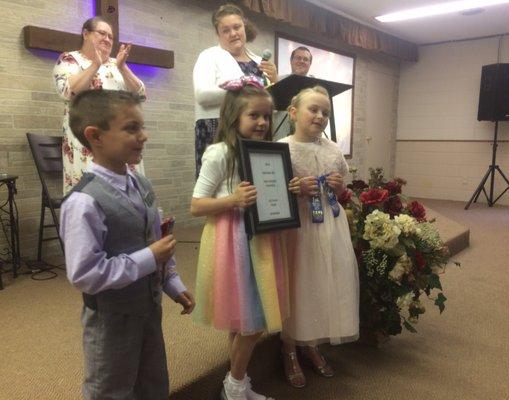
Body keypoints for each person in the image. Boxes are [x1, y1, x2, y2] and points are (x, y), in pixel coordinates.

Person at [60, 89, 195, 400]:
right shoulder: (83, 202)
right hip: (111, 321)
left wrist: (171, 282)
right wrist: (148, 258)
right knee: (112, 388)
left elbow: (155, 237)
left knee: (152, 382)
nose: (143, 136)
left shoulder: (141, 183)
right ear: (95, 136)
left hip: (148, 310)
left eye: (142, 127)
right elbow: (85, 275)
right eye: (131, 128)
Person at [191, 76, 297, 400]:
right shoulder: (219, 153)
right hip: (232, 241)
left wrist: (286, 191)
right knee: (252, 322)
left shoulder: (267, 152)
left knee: (247, 317)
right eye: (255, 115)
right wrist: (232, 200)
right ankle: (233, 388)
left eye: (267, 116)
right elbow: (196, 205)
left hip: (261, 241)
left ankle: (239, 382)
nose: (263, 122)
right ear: (234, 116)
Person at [278, 86, 359, 388]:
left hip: (329, 227)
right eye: (314, 109)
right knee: (297, 283)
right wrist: (293, 188)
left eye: (325, 112)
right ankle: (289, 348)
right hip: (298, 228)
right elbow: (272, 189)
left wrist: (337, 188)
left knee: (322, 282)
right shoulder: (282, 148)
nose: (320, 116)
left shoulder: (333, 149)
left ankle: (310, 343)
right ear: (294, 112)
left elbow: (341, 187)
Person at [53, 16, 146, 194]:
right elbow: (68, 92)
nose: (107, 39)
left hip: (121, 138)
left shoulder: (115, 64)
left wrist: (122, 67)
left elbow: (140, 95)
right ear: (86, 34)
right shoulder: (70, 59)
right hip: (87, 139)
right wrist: (95, 65)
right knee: (91, 193)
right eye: (102, 33)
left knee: (127, 193)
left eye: (111, 36)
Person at [193, 3, 278, 178]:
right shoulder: (209, 56)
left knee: (254, 182)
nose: (233, 33)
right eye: (225, 30)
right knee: (219, 188)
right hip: (217, 128)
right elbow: (201, 95)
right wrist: (239, 88)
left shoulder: (258, 61)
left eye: (237, 27)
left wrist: (275, 81)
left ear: (244, 27)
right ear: (218, 34)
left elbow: (269, 102)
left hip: (256, 130)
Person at [272, 47, 313, 141]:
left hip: (307, 138)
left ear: (310, 64)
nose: (301, 61)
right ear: (291, 61)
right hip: (280, 134)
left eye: (306, 59)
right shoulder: (277, 80)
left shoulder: (316, 86)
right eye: (298, 58)